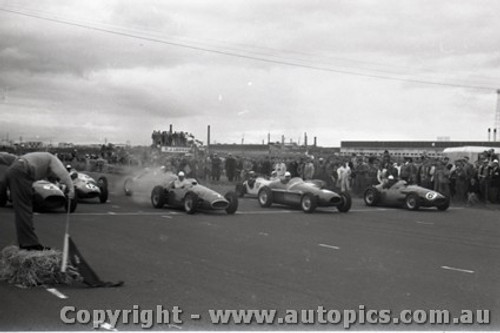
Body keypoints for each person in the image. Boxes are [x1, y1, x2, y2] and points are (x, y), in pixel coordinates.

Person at [5, 152, 75, 251]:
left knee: (22, 210)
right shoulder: (52, 159)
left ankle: (26, 242)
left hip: (14, 171)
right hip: (22, 172)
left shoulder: (36, 158)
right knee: (25, 209)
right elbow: (63, 173)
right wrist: (71, 188)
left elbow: (9, 157)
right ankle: (30, 244)